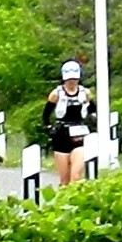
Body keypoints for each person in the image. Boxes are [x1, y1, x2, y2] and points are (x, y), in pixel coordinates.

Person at [41, 59, 97, 189]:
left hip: (80, 134)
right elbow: (46, 115)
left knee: (76, 177)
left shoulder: (86, 93)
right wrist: (49, 128)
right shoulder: (56, 94)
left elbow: (93, 110)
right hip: (62, 135)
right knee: (64, 181)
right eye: (69, 79)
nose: (72, 82)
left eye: (74, 79)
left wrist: (93, 120)